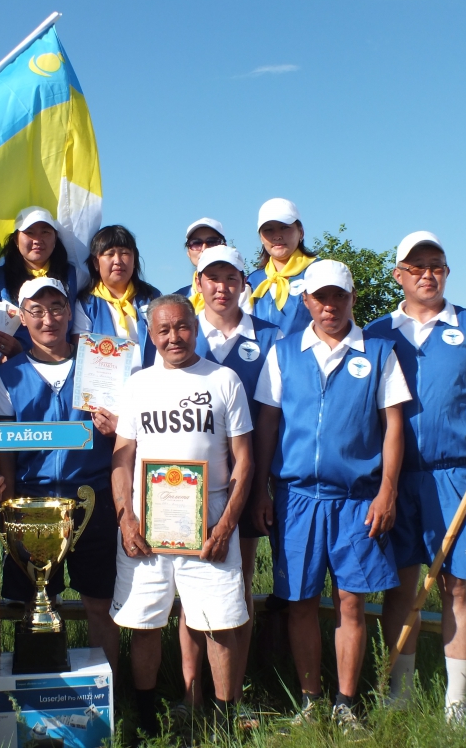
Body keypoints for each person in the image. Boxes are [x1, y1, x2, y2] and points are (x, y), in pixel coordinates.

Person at [366, 231, 466, 727]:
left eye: (437, 265)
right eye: (417, 266)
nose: (428, 274)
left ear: (447, 272)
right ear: (399, 275)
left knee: (457, 587)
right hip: (395, 478)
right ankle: (400, 693)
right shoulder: (376, 333)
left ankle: (455, 705)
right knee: (400, 587)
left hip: (458, 474)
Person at [251, 260, 409, 732]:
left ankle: (346, 703)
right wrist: (260, 489)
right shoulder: (283, 353)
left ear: (352, 298)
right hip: (296, 497)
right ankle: (309, 701)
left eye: (339, 296)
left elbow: (394, 427)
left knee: (351, 603)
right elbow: (268, 424)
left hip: (358, 499)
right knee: (300, 602)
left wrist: (387, 490)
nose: (330, 305)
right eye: (320, 297)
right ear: (306, 301)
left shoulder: (379, 352)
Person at [111, 294, 253, 734]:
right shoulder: (138, 384)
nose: (174, 337)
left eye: (182, 327)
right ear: (151, 335)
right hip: (146, 521)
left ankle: (224, 724)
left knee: (219, 624)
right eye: (163, 330)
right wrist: (125, 517)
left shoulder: (224, 379)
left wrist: (226, 524)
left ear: (195, 327)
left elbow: (244, 460)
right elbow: (123, 456)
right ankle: (146, 720)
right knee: (144, 623)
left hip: (209, 520)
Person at [163, 246, 282, 722]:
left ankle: (233, 690)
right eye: (212, 278)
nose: (221, 287)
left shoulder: (270, 337)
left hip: (245, 480)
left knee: (238, 585)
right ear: (198, 283)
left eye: (231, 277)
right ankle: (192, 694)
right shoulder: (183, 332)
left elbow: (272, 416)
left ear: (243, 282)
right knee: (188, 590)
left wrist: (260, 486)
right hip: (181, 490)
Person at [0, 278, 120, 670]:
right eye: (37, 310)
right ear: (23, 317)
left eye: (56, 308)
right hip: (33, 506)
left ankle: (109, 691)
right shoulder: (9, 374)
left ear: (68, 313)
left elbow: (125, 434)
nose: (48, 319)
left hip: (93, 498)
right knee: (35, 603)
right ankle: (39, 689)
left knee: (100, 604)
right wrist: (7, 504)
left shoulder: (100, 366)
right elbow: (5, 448)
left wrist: (116, 428)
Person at [0, 206, 78, 357]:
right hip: (15, 366)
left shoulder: (75, 275)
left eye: (45, 232)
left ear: (55, 238)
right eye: (29, 233)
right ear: (16, 239)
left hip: (64, 361)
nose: (37, 240)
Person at [72, 224, 160, 373]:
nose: (118, 260)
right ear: (96, 263)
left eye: (125, 253)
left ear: (134, 259)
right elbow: (81, 354)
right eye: (110, 254)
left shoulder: (152, 298)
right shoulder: (85, 304)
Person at [248, 198, 320, 336]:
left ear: (301, 232)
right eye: (268, 230)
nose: (277, 236)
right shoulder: (252, 281)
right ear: (261, 238)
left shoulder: (321, 271)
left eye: (284, 227)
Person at [172, 218, 251, 314]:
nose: (204, 248)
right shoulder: (177, 298)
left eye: (212, 242)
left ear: (224, 246)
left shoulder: (239, 291)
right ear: (188, 252)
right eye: (196, 243)